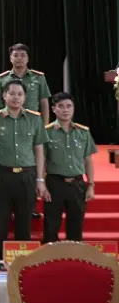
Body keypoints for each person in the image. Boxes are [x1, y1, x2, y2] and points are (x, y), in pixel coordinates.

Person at [0, 80, 49, 261]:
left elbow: (39, 150)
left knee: (24, 224)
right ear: (4, 96)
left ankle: (22, 265)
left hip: (27, 176)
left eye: (20, 94)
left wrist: (40, 179)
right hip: (2, 176)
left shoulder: (35, 119)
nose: (15, 98)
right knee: (0, 225)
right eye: (11, 93)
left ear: (25, 97)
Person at [0, 43, 52, 219]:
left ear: (28, 58)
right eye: (16, 55)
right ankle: (9, 206)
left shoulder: (38, 78)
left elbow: (44, 103)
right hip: (7, 125)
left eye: (22, 55)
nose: (19, 58)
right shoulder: (2, 79)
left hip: (31, 127)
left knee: (33, 165)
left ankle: (30, 205)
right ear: (10, 58)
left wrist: (45, 126)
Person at [43, 92, 97, 243]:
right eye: (61, 106)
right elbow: (42, 161)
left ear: (73, 109)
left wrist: (91, 184)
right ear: (54, 109)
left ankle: (74, 256)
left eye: (69, 106)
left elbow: (88, 160)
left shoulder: (83, 132)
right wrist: (42, 185)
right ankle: (49, 255)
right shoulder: (46, 132)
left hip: (77, 184)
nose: (65, 110)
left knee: (76, 226)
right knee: (51, 226)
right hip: (55, 183)